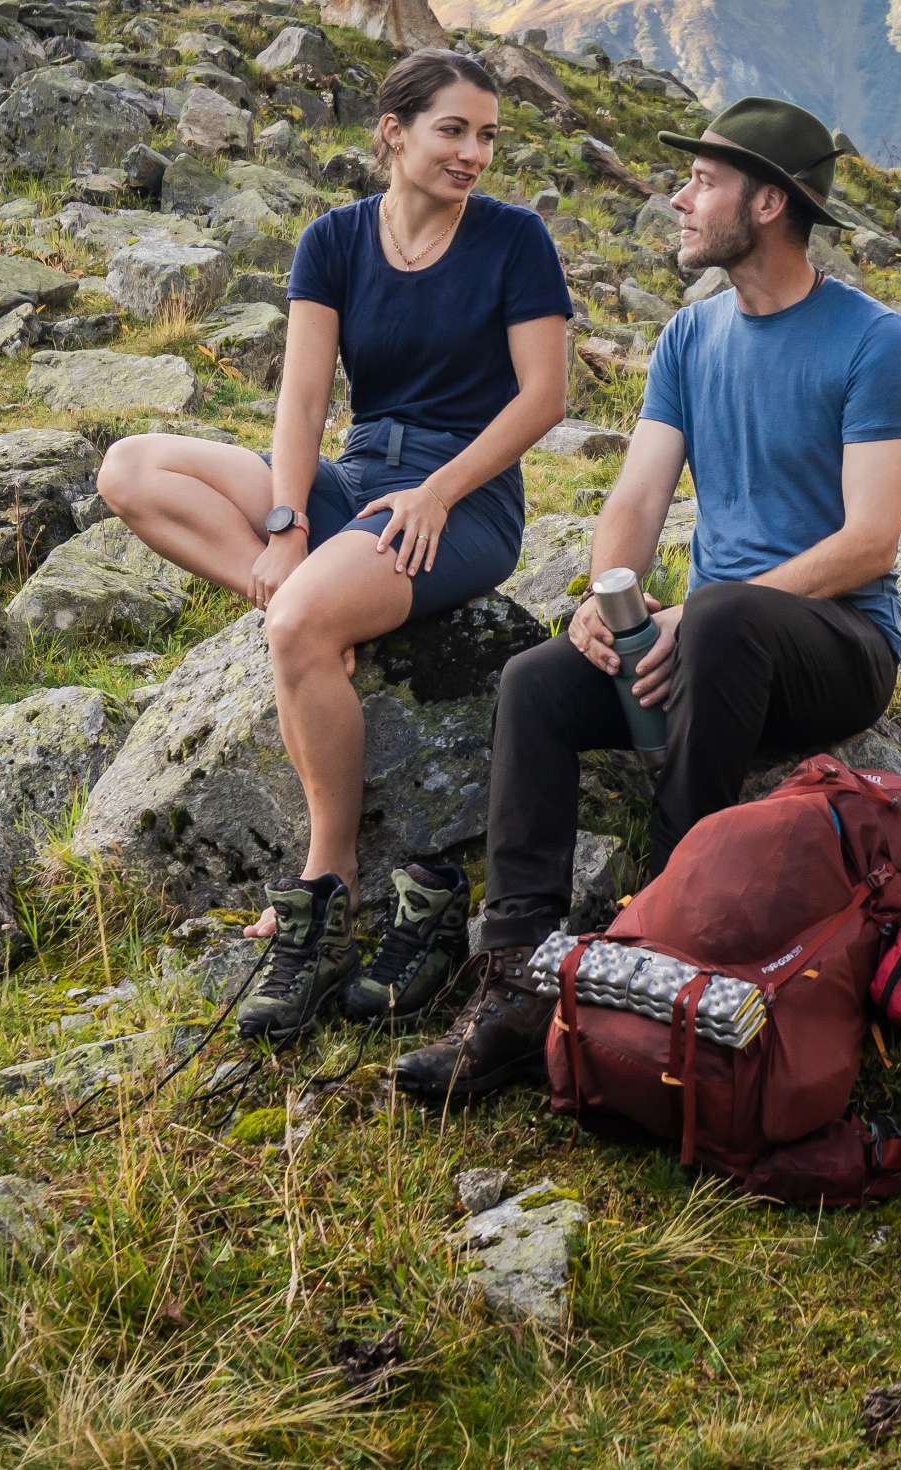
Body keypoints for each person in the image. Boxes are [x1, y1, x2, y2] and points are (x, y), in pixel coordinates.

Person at [395, 97, 901, 1106]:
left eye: (704, 184)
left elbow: (871, 538)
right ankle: (513, 981)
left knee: (722, 611)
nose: (678, 199)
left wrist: (695, 615)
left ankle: (659, 928)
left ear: (769, 203)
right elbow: (636, 496)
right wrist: (605, 599)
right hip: (717, 650)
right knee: (536, 684)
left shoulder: (872, 340)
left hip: (839, 647)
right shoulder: (692, 337)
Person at [93, 48, 572, 1043]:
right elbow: (302, 398)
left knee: (304, 621)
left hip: (462, 497)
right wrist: (287, 525)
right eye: (453, 129)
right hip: (355, 478)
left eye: (487, 134)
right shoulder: (334, 240)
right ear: (393, 133)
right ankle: (304, 606)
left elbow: (544, 398)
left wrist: (441, 491)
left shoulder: (516, 242)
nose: (474, 152)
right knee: (130, 470)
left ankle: (328, 881)